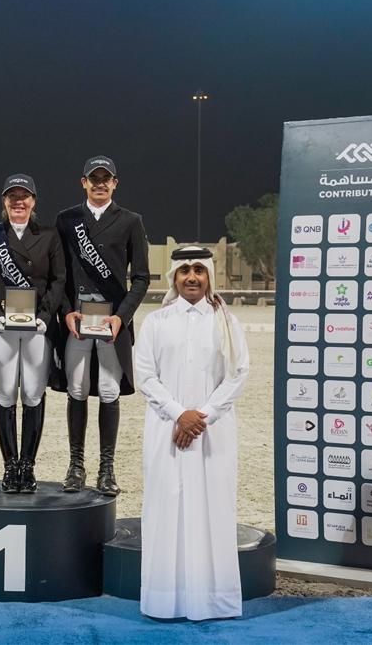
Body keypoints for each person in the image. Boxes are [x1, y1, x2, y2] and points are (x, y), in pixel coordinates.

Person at [135, 246, 250, 621]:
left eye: (199, 270)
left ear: (209, 276)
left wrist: (202, 417)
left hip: (211, 435)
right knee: (165, 510)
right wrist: (177, 415)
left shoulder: (226, 322)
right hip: (166, 433)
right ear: (173, 277)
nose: (192, 277)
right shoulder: (156, 321)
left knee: (212, 509)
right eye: (184, 270)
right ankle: (164, 600)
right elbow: (146, 377)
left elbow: (237, 375)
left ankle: (212, 600)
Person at [54, 156, 150, 495]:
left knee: (109, 391)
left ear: (115, 183)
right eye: (93, 178)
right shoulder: (67, 220)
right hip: (78, 320)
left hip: (111, 321)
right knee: (77, 389)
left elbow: (141, 278)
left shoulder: (130, 221)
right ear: (83, 182)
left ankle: (106, 469)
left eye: (105, 178)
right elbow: (59, 275)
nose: (99, 183)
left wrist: (121, 317)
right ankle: (75, 465)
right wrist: (65, 311)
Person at [0, 174, 65, 494]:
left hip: (37, 327)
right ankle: (10, 466)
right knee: (6, 395)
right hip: (3, 328)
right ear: (4, 202)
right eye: (12, 196)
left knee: (33, 396)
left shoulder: (51, 236)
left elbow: (58, 281)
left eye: (24, 196)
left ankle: (28, 466)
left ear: (33, 201)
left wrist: (44, 316)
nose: (18, 202)